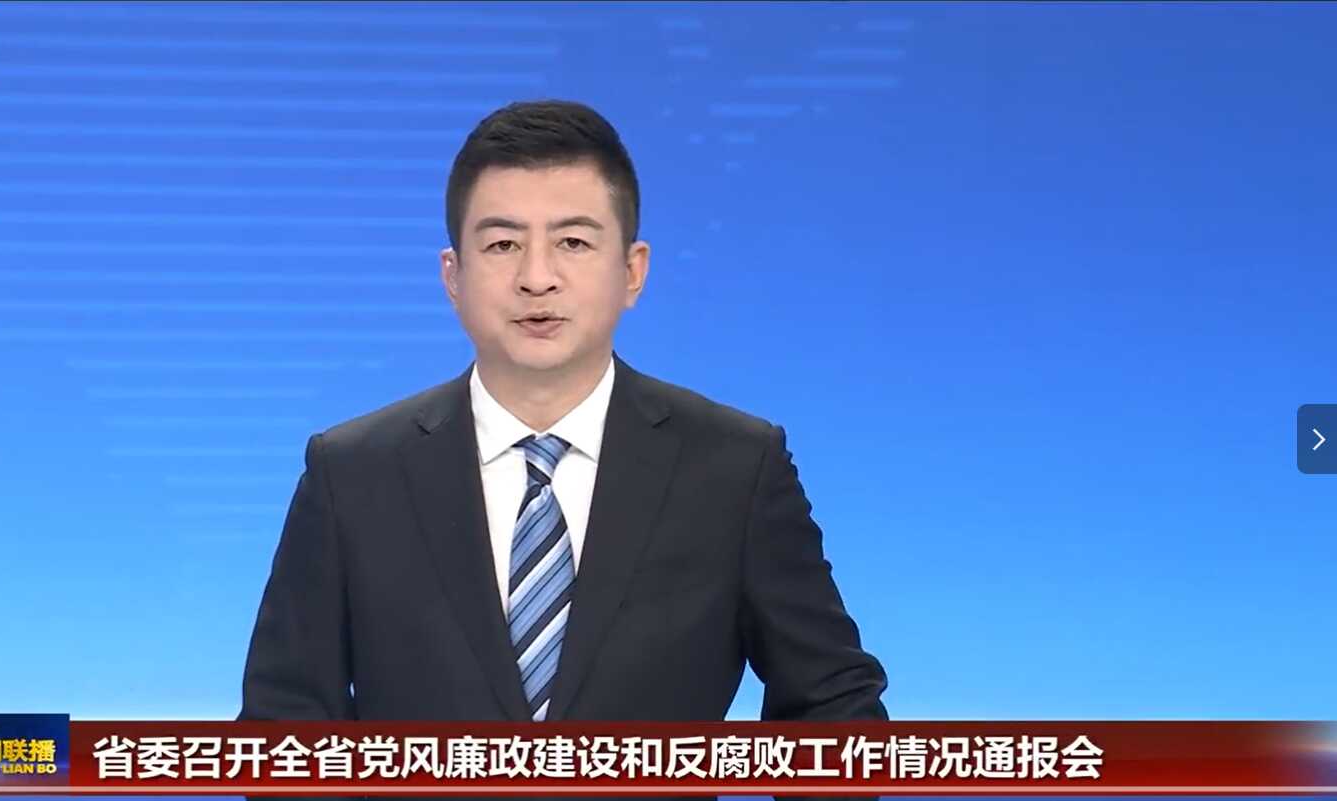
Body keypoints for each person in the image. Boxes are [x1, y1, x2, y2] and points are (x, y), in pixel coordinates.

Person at [238, 99, 888, 795]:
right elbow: (284, 732)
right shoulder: (352, 474)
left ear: (632, 271)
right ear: (453, 276)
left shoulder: (733, 468)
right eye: (502, 245)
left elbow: (833, 708)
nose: (537, 277)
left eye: (573, 242)